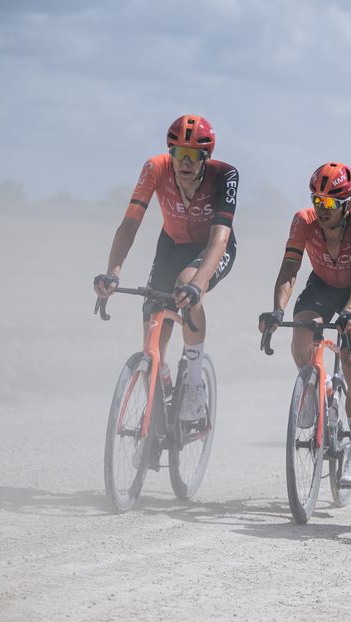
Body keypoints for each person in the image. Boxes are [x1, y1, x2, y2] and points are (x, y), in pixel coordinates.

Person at [93, 115, 238, 421]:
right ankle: (155, 423)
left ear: (206, 157)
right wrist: (113, 272)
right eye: (179, 153)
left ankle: (196, 379)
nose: (185, 161)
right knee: (152, 339)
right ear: (170, 151)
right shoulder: (154, 168)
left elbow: (220, 238)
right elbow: (129, 224)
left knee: (186, 286)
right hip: (171, 244)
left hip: (211, 246)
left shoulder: (225, 175)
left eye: (194, 155)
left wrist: (197, 286)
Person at [258, 163, 351, 488]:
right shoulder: (303, 220)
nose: (321, 209)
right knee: (301, 331)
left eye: (329, 203)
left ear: (347, 205)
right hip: (321, 285)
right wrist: (277, 310)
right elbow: (289, 268)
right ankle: (315, 390)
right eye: (316, 200)